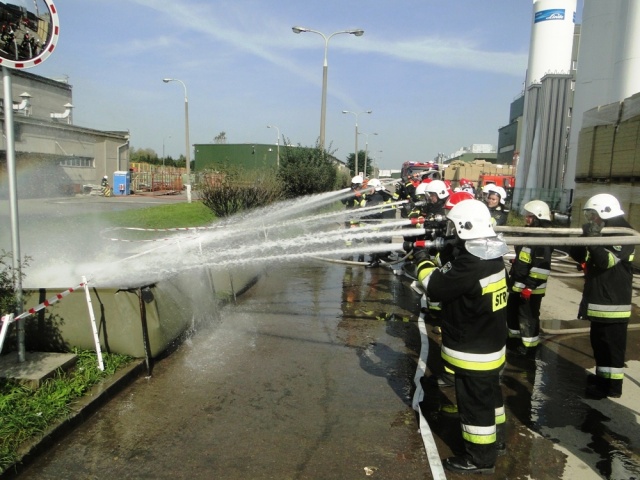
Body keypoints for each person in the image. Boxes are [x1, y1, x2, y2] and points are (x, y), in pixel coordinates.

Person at [420, 199, 509, 474]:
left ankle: (480, 459)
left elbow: (435, 286)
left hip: (473, 351)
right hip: (491, 345)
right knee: (490, 398)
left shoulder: (470, 264)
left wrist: (422, 260)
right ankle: (498, 441)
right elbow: (458, 272)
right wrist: (447, 250)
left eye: (453, 227)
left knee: (474, 406)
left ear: (464, 228)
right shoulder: (491, 257)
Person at [569, 193, 635, 399]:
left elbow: (607, 261)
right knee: (599, 344)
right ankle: (602, 379)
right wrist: (582, 241)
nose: (591, 219)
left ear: (605, 212)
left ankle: (612, 387)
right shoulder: (602, 231)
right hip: (600, 300)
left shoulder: (624, 233)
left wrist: (593, 240)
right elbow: (581, 255)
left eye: (593, 215)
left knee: (612, 348)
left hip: (614, 303)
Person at [506, 200, 553, 358]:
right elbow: (526, 257)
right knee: (513, 313)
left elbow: (540, 268)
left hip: (530, 289)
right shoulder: (530, 233)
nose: (526, 218)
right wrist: (518, 262)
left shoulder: (542, 239)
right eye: (527, 215)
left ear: (538, 217)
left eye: (530, 216)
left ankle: (529, 349)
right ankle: (514, 341)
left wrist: (529, 287)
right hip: (518, 284)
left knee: (528, 318)